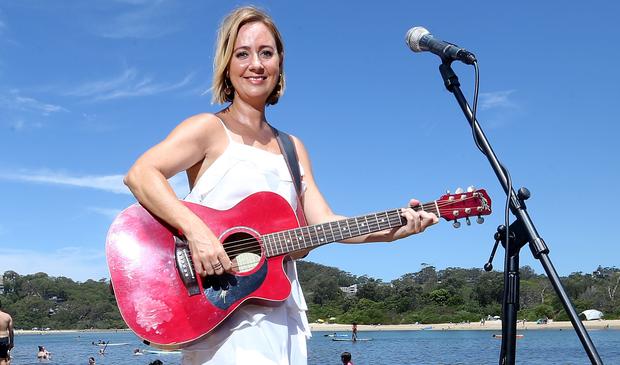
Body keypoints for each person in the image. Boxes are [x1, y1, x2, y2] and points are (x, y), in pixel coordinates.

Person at [123, 6, 438, 365]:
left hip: (280, 312)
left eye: (266, 53)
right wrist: (197, 233)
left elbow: (325, 223)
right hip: (223, 315)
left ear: (279, 64)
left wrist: (392, 229)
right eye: (243, 53)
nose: (256, 64)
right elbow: (141, 174)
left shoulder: (293, 148)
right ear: (227, 65)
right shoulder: (208, 129)